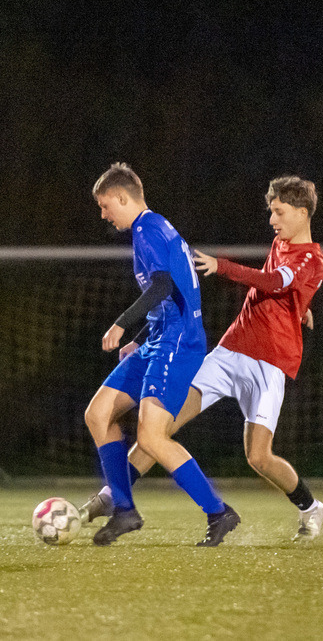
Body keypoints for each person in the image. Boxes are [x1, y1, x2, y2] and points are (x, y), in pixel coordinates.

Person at [82, 175, 323, 541]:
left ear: (302, 212)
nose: (272, 220)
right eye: (271, 211)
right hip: (230, 352)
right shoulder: (281, 243)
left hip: (270, 362)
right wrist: (300, 306)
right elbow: (281, 284)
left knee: (258, 458)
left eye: (279, 212)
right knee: (158, 429)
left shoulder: (312, 257)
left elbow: (277, 282)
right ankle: (115, 499)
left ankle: (310, 506)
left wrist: (223, 266)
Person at [85, 163, 240, 547]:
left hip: (178, 344)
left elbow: (162, 285)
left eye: (105, 206)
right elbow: (170, 298)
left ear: (122, 198)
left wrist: (121, 324)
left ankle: (218, 512)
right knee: (98, 414)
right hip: (159, 339)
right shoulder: (155, 229)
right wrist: (140, 338)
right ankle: (124, 510)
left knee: (152, 437)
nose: (103, 214)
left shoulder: (148, 229)